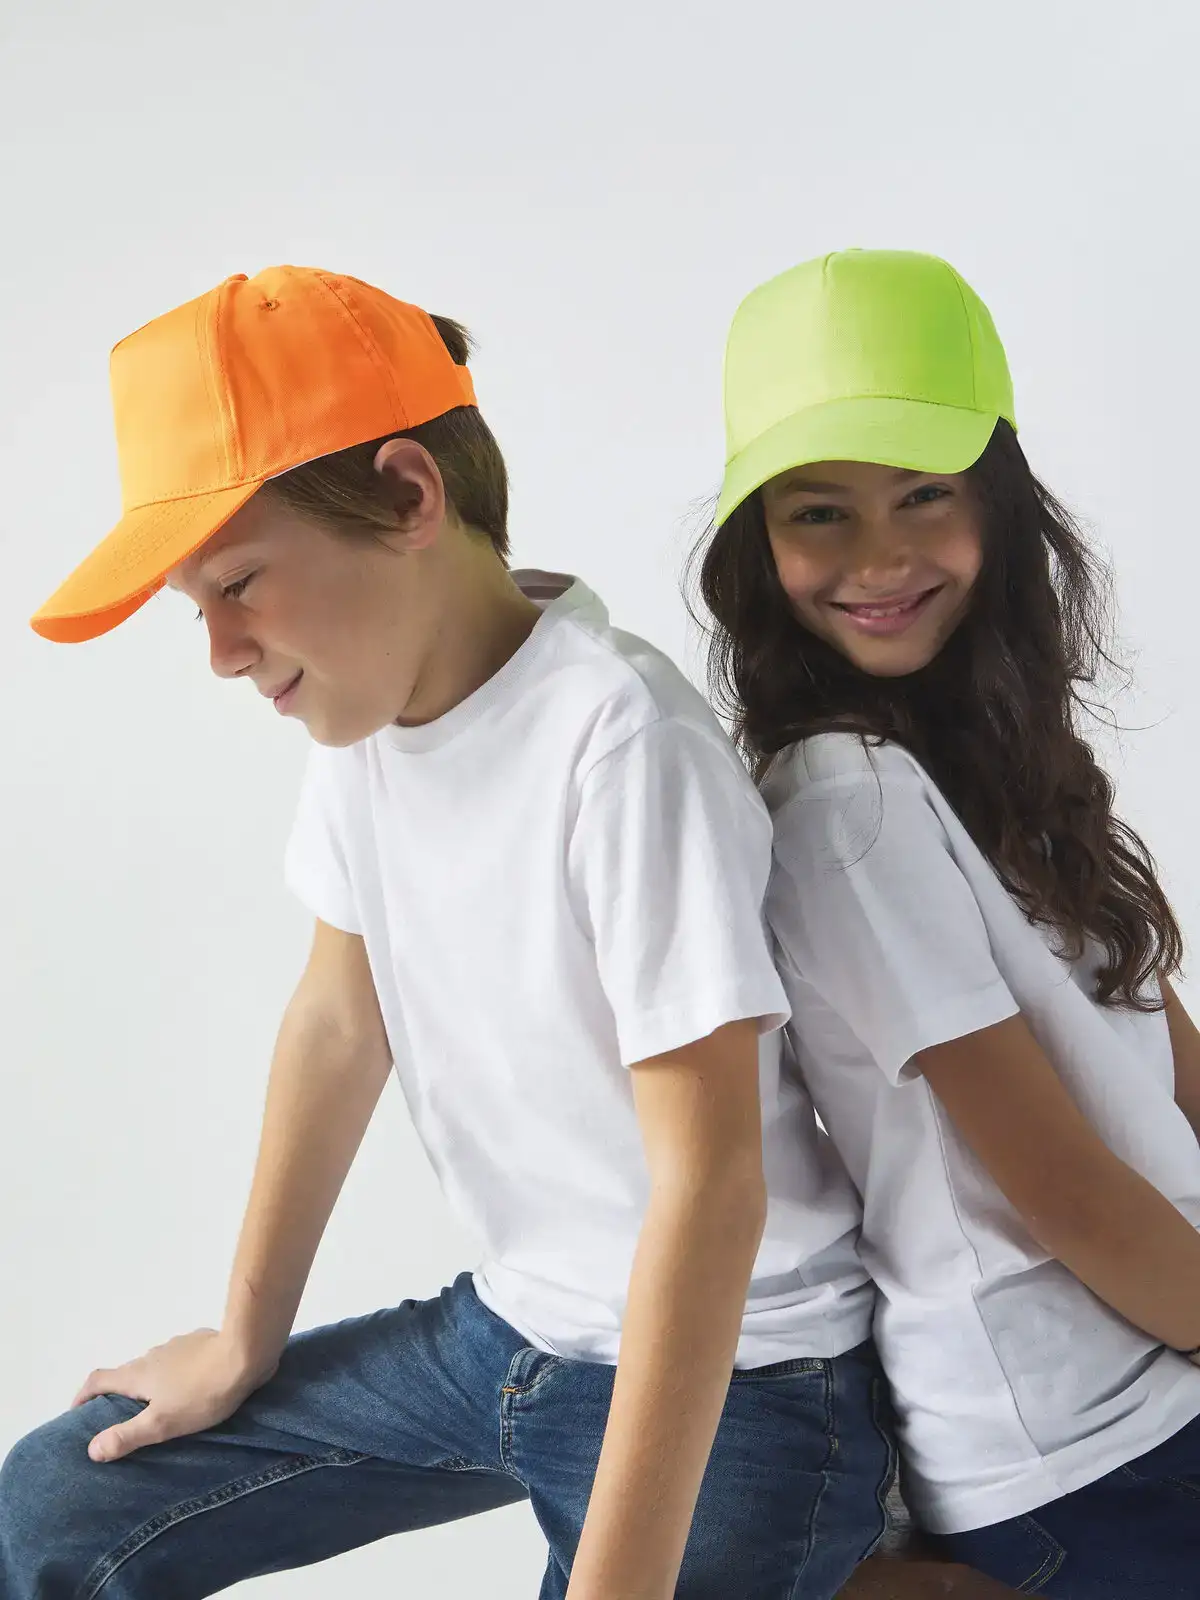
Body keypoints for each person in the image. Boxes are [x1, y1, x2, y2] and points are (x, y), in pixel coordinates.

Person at [0, 266, 892, 1599]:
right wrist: (245, 1336)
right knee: (57, 1503)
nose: (222, 652)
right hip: (511, 1331)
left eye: (239, 582)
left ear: (411, 496)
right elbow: (335, 1022)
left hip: (744, 1374)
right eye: (199, 606)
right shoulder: (365, 715)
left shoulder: (620, 742)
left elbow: (711, 1187)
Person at [690, 246, 1200, 1598]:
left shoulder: (996, 755)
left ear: (1001, 505)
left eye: (925, 493)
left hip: (1161, 1359)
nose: (880, 559)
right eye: (820, 513)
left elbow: (1164, 1056)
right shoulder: (844, 803)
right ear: (758, 546)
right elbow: (1057, 1183)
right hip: (1084, 1440)